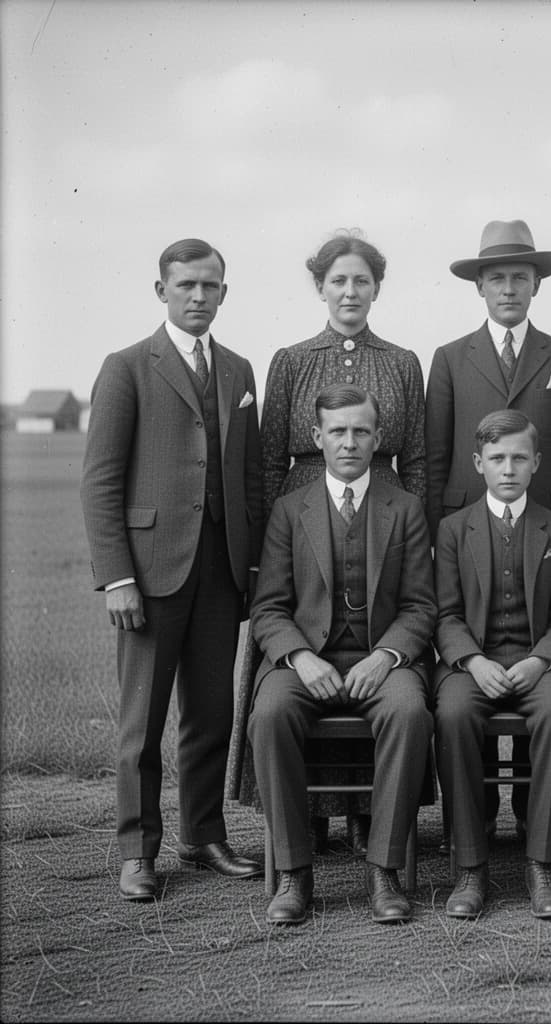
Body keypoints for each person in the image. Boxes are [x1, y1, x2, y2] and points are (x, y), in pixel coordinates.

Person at [227, 230, 426, 857]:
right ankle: (304, 824)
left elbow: (416, 459)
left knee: (373, 656)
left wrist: (410, 516)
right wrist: (264, 548)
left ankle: (371, 817)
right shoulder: (290, 359)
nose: (349, 291)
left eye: (361, 280)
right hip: (303, 512)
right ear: (320, 286)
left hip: (382, 504)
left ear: (376, 289)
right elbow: (264, 462)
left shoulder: (400, 361)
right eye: (337, 280)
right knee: (302, 665)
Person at [81, 238, 264, 901]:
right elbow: (100, 481)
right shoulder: (128, 367)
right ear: (162, 291)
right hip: (150, 573)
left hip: (220, 575)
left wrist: (249, 568)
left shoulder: (240, 371)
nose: (197, 296)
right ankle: (137, 851)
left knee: (213, 712)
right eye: (185, 285)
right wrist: (118, 577)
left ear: (223, 293)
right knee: (142, 721)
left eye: (210, 286)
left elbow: (248, 480)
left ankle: (203, 834)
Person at [426, 218, 551, 842]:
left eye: (519, 278)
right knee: (463, 706)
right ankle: (469, 842)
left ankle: (531, 828)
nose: (508, 289)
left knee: (547, 706)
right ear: (479, 287)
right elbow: (435, 457)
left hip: (544, 538)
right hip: (467, 537)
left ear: (535, 286)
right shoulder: (448, 359)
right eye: (496, 278)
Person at [247, 384, 435, 925]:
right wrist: (302, 659)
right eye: (337, 432)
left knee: (408, 711)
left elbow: (421, 607)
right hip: (307, 660)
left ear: (377, 437)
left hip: (381, 660)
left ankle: (384, 869)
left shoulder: (405, 508)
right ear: (317, 438)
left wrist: (387, 657)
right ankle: (294, 872)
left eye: (360, 431)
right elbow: (269, 610)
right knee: (272, 712)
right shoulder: (289, 510)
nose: (349, 442)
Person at [433, 411, 551, 919]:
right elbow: (446, 614)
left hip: (537, 664)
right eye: (498, 458)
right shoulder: (454, 529)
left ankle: (541, 863)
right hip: (475, 664)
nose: (509, 468)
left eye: (520, 457)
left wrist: (542, 660)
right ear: (479, 463)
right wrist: (472, 661)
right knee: (451, 714)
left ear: (536, 462)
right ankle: (471, 866)